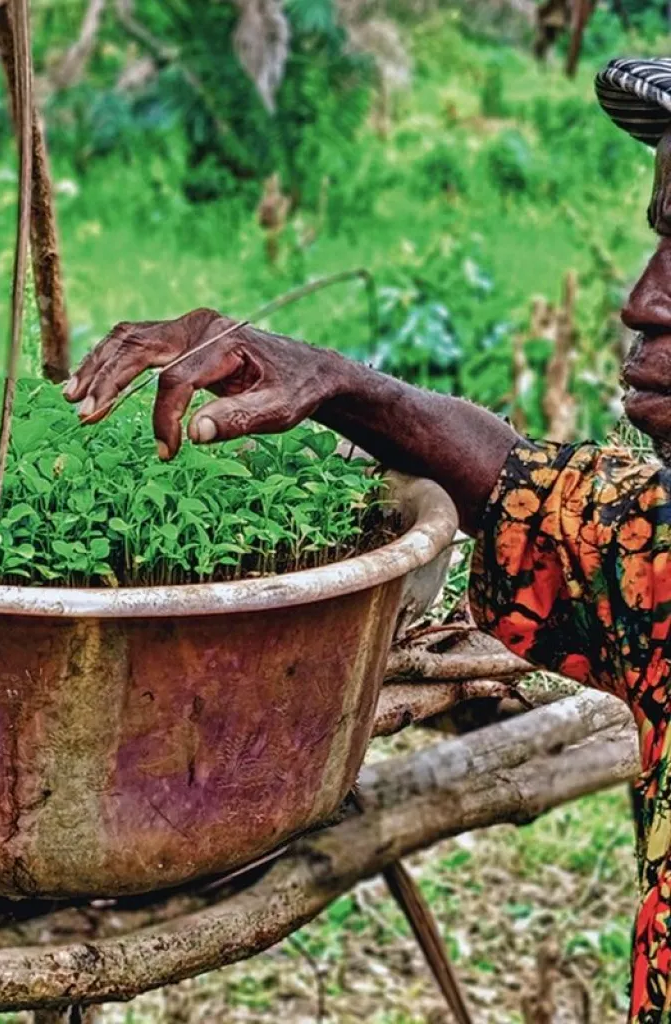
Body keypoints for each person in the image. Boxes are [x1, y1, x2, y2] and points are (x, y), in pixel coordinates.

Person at [63, 58, 671, 1024]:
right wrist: (338, 385)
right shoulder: (658, 549)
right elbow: (528, 491)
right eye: (661, 239)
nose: (644, 301)